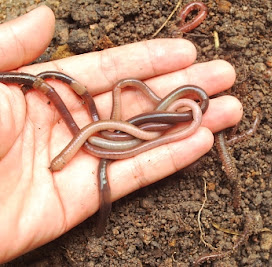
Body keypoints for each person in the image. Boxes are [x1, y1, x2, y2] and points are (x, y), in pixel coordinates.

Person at [0, 5, 242, 263]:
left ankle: (100, 224)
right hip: (105, 134)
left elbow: (100, 130)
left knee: (102, 135)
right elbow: (95, 130)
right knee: (98, 137)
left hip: (113, 132)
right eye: (60, 162)